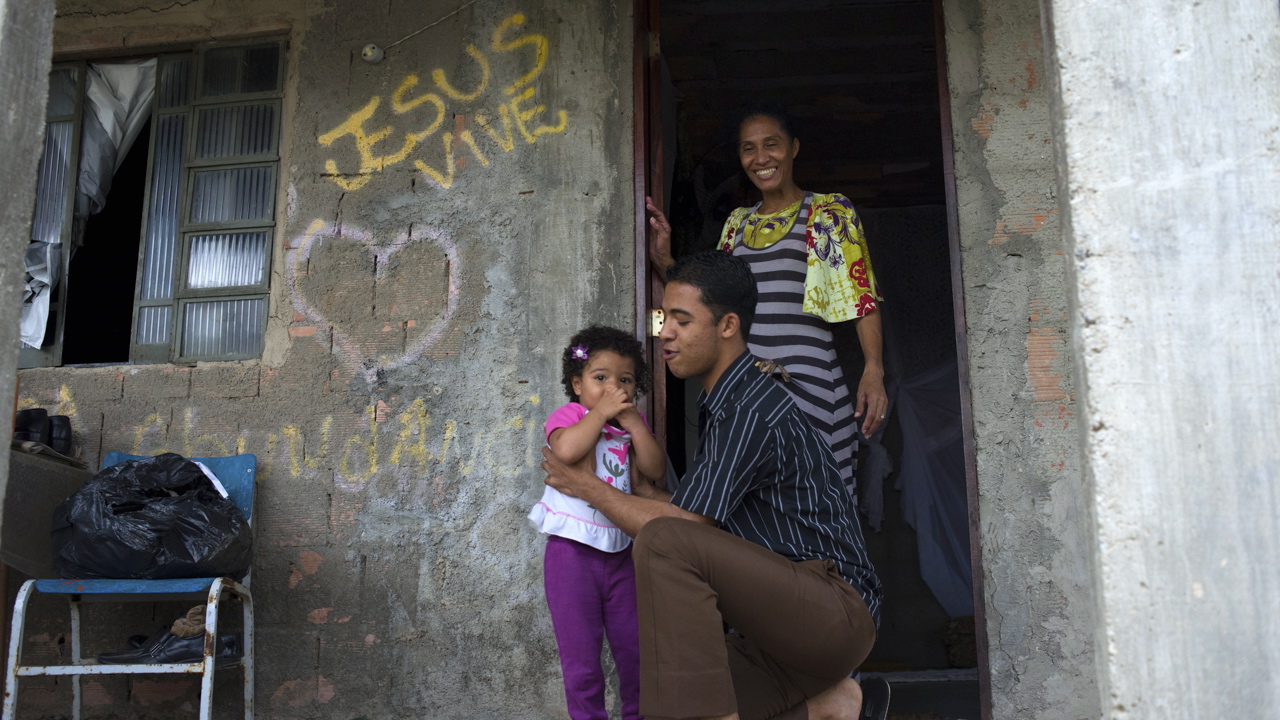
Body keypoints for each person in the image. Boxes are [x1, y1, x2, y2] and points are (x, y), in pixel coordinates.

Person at [542, 252, 885, 720]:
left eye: (681, 322)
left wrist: (589, 488)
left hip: (831, 612)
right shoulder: (723, 401)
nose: (664, 334)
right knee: (661, 708)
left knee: (662, 541)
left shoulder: (748, 408)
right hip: (785, 631)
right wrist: (637, 490)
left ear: (727, 326)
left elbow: (684, 527)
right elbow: (696, 517)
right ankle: (837, 705)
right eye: (666, 320)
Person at [646, 102, 887, 497]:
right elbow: (712, 300)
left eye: (771, 145)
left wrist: (874, 370)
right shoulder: (736, 224)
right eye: (748, 149)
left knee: (817, 505)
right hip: (745, 392)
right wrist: (665, 261)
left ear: (793, 147)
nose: (761, 158)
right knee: (752, 517)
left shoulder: (827, 211)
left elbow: (860, 298)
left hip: (810, 385)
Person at [528, 325, 666, 720]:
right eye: (600, 378)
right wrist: (601, 412)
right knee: (582, 664)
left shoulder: (628, 426)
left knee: (636, 655)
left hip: (622, 556)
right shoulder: (571, 416)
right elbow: (567, 450)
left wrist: (636, 424)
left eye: (624, 381)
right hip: (571, 557)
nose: (612, 387)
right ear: (576, 384)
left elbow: (653, 470)